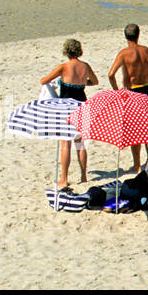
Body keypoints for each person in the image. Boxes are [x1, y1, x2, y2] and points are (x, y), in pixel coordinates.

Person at [109, 24, 148, 173]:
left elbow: (111, 74)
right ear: (138, 35)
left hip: (131, 91)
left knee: (133, 130)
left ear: (126, 36)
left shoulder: (124, 53)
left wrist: (117, 90)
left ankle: (137, 164)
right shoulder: (147, 51)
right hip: (145, 90)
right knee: (146, 127)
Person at [40, 39, 99, 189]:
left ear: (66, 51)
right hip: (82, 105)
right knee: (80, 143)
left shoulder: (63, 67)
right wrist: (84, 83)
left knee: (65, 143)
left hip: (66, 107)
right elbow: (95, 81)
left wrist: (58, 82)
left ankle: (64, 178)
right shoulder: (85, 66)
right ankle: (84, 176)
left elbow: (44, 81)